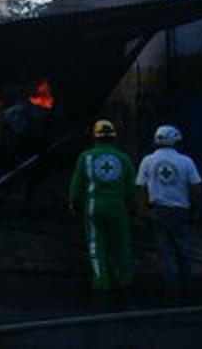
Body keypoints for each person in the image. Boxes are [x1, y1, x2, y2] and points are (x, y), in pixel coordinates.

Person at [68, 119, 137, 292]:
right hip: (118, 207)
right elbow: (131, 188)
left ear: (95, 137)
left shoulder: (86, 157)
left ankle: (101, 281)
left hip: (94, 206)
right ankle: (123, 280)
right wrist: (133, 208)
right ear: (114, 137)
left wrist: (74, 204)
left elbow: (77, 185)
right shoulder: (124, 158)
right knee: (120, 244)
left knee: (95, 244)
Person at [136, 124, 202, 299]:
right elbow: (196, 188)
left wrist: (143, 211)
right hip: (181, 210)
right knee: (184, 251)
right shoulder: (186, 161)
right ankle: (187, 288)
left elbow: (141, 188)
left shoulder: (147, 161)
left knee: (165, 253)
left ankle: (171, 290)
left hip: (158, 211)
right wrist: (195, 210)